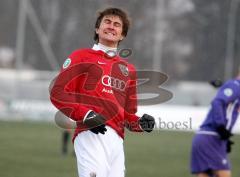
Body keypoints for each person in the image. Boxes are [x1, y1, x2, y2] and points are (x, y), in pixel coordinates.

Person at [50, 7, 155, 177]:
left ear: (122, 35)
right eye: (107, 22)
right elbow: (58, 92)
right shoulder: (80, 56)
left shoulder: (128, 69)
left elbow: (127, 116)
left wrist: (140, 123)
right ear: (97, 29)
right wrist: (86, 115)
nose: (111, 26)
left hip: (117, 143)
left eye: (117, 24)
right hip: (90, 135)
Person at [190, 71, 240, 177]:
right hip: (211, 137)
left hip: (207, 137)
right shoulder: (236, 85)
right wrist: (221, 127)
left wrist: (225, 139)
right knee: (224, 174)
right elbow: (217, 102)